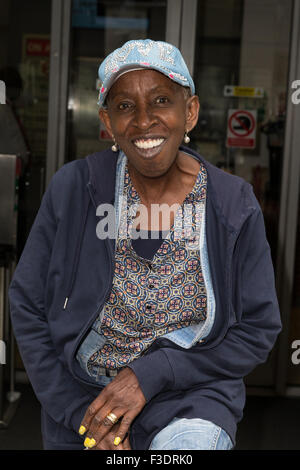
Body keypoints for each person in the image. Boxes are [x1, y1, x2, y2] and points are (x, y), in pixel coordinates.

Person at [8, 39, 282, 451]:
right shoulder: (75, 188)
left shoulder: (231, 203)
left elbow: (258, 329)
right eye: (124, 106)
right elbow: (28, 304)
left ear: (189, 112)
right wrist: (80, 415)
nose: (143, 121)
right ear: (107, 121)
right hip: (85, 398)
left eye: (160, 100)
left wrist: (153, 373)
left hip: (189, 397)